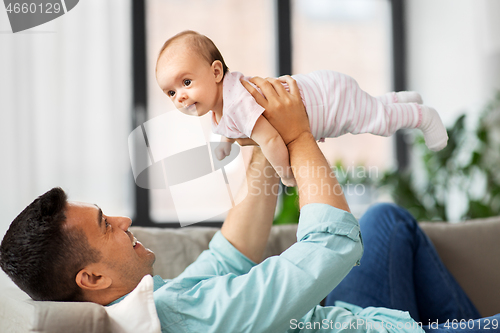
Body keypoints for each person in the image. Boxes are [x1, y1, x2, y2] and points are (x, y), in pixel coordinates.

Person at [0, 76, 495, 333]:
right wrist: (299, 133)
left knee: (387, 220)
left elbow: (229, 253)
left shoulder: (153, 307)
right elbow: (333, 245)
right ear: (91, 279)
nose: (125, 219)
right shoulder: (187, 321)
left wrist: (262, 138)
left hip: (360, 320)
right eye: (106, 224)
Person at [155, 30, 449, 187]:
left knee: (378, 122)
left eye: (187, 82)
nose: (180, 96)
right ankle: (400, 100)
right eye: (171, 92)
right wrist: (224, 144)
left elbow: (269, 139)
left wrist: (286, 174)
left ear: (216, 72)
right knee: (371, 110)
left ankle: (423, 117)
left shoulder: (236, 103)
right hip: (322, 92)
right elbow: (231, 128)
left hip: (326, 102)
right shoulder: (223, 104)